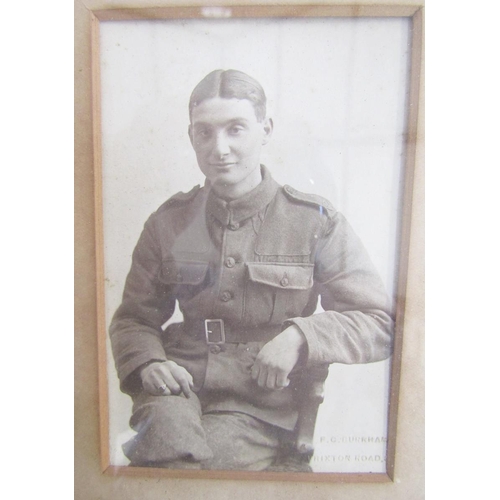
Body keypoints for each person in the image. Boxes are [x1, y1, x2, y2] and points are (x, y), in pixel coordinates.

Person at [109, 69, 393, 472]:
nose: (219, 148)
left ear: (265, 130)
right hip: (177, 387)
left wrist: (300, 335)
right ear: (191, 137)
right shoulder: (168, 222)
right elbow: (134, 318)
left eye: (235, 129)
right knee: (164, 459)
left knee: (201, 474)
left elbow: (379, 322)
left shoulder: (314, 222)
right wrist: (149, 363)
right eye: (204, 133)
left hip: (260, 402)